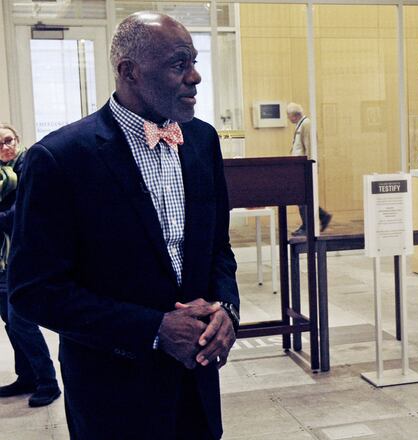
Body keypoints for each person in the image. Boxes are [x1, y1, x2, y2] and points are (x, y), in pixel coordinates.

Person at [8, 12, 239, 440]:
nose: (196, 76)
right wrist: (153, 329)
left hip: (197, 387)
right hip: (113, 396)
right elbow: (33, 291)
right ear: (129, 71)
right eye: (179, 63)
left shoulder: (203, 141)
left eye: (194, 61)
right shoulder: (60, 159)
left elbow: (218, 250)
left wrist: (226, 310)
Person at [0, 124, 61, 408]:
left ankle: (48, 381)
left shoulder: (28, 166)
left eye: (8, 140)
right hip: (4, 261)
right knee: (10, 323)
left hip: (24, 259)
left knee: (21, 322)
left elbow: (17, 216)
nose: (4, 147)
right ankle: (26, 376)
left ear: (18, 140)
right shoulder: (3, 175)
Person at [286, 102, 331, 235]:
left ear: (295, 115)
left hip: (304, 168)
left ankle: (308, 226)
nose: (288, 118)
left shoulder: (306, 124)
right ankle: (320, 218)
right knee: (303, 197)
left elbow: (310, 147)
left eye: (289, 115)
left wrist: (311, 166)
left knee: (303, 197)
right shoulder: (301, 125)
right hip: (299, 167)